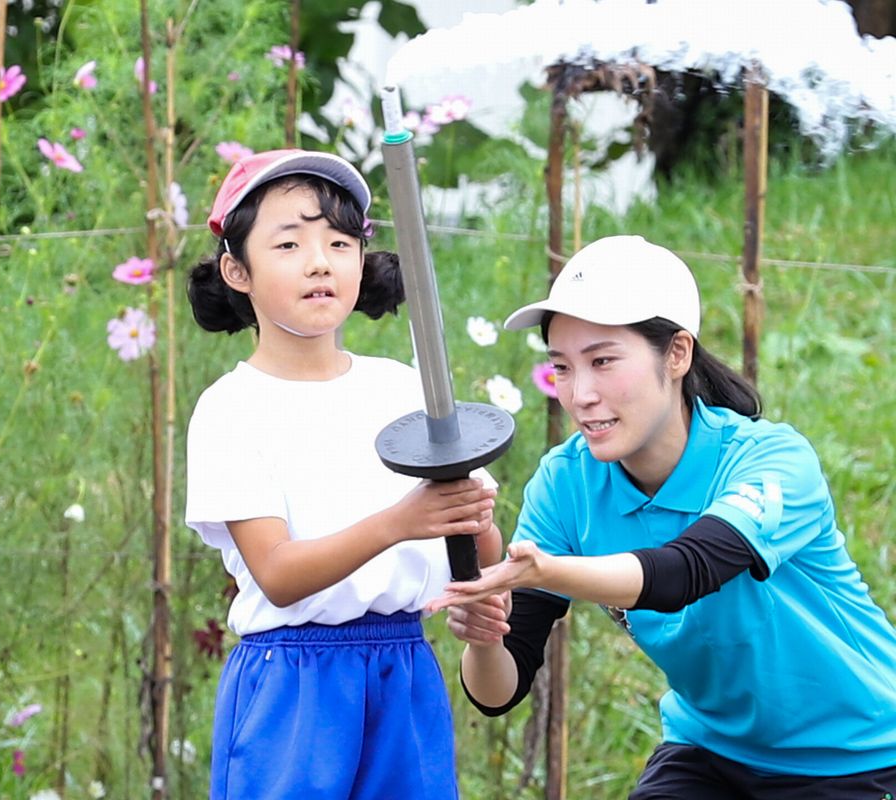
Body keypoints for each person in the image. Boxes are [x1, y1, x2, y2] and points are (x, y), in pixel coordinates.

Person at [430, 234, 896, 798]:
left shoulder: (769, 461)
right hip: (710, 750)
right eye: (563, 368)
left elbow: (682, 573)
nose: (580, 394)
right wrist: (485, 635)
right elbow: (500, 692)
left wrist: (544, 571)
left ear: (677, 353)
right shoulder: (566, 482)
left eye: (603, 361)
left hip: (857, 755)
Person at [184, 148, 500, 800]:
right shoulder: (231, 410)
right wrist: (399, 522)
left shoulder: (404, 389)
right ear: (237, 269)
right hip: (292, 685)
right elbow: (277, 574)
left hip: (404, 671)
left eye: (338, 240)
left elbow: (475, 551)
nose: (320, 260)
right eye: (290, 243)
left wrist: (479, 546)